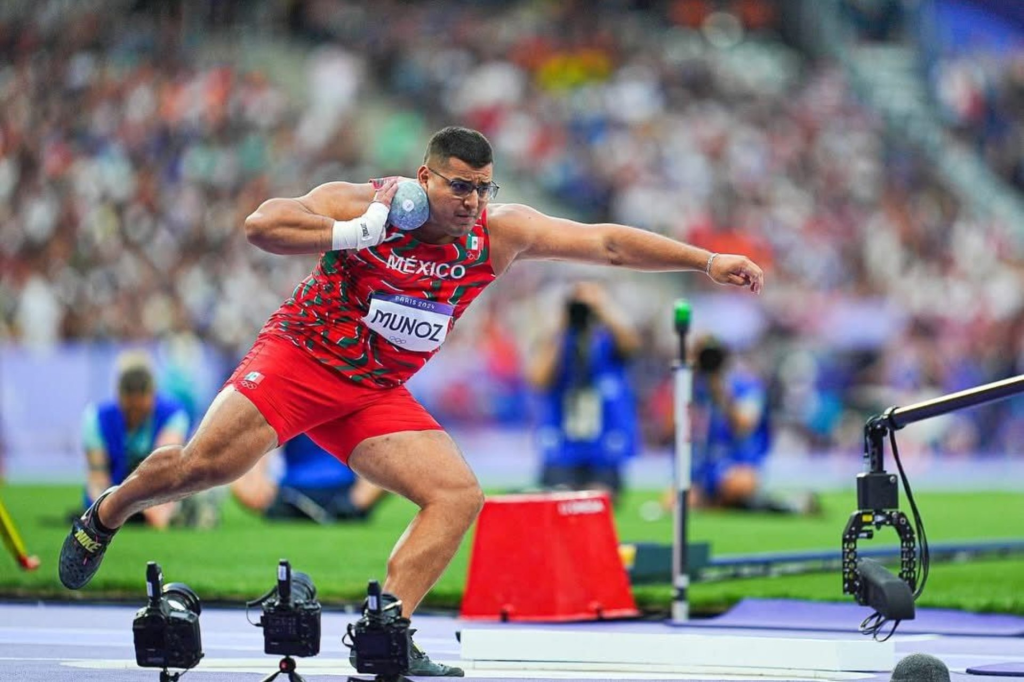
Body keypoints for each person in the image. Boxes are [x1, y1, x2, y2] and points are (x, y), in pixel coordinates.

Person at [59, 126, 763, 676]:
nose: (473, 202)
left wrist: (704, 261)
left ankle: (386, 628)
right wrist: (360, 233)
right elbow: (261, 225)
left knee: (457, 493)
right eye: (460, 187)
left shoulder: (497, 233)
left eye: (484, 188)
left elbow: (605, 243)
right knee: (197, 469)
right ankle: (108, 511)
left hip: (373, 393)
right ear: (425, 178)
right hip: (298, 364)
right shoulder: (368, 202)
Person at [527, 281, 641, 503]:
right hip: (563, 444)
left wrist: (603, 310)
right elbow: (539, 379)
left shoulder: (608, 340)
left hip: (603, 444)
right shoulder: (557, 341)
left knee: (598, 499)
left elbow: (632, 346)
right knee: (558, 498)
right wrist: (561, 327)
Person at [687, 335, 817, 514]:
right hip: (705, 469)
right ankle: (779, 505)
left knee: (737, 486)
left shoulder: (746, 386)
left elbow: (744, 424)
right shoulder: (692, 387)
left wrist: (720, 392)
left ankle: (782, 504)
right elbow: (671, 427)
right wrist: (687, 378)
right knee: (675, 501)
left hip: (738, 465)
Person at [80, 353, 190, 529]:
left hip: (156, 495)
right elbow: (97, 476)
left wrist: (156, 510)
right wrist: (102, 512)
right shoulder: (96, 418)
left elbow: (164, 469)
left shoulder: (173, 415)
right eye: (130, 408)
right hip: (112, 493)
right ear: (119, 396)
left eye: (141, 407)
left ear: (153, 394)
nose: (135, 414)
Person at [231, 433, 387, 523]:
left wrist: (359, 498)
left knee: (389, 455)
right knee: (240, 465)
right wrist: (259, 482)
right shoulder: (289, 398)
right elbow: (264, 446)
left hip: (345, 490)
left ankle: (351, 507)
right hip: (292, 492)